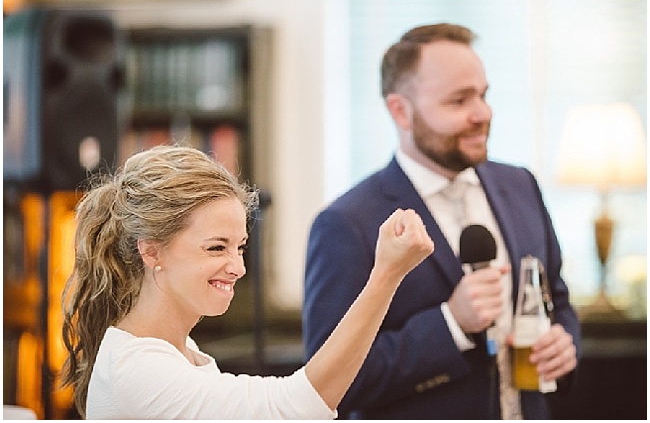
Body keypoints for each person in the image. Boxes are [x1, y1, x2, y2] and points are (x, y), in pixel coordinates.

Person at [303, 23, 580, 419]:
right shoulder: (347, 223)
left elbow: (560, 300)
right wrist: (451, 323)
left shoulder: (521, 185)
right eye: (458, 100)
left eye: (483, 95)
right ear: (400, 110)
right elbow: (329, 385)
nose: (482, 113)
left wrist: (565, 341)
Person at [60, 145, 434, 419]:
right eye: (216, 247)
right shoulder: (140, 370)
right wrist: (386, 275)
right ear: (152, 251)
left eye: (239, 247)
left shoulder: (177, 349)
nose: (236, 266)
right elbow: (297, 405)